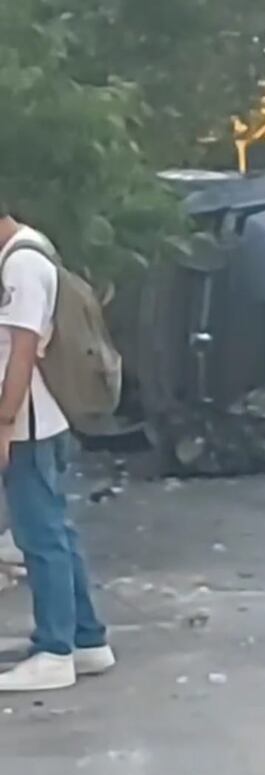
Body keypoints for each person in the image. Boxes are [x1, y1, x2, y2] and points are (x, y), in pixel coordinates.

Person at [0, 209, 114, 690]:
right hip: (41, 418)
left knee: (39, 536)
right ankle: (86, 640)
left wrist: (3, 424)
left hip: (29, 421)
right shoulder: (27, 248)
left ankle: (55, 652)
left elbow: (22, 349)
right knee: (55, 532)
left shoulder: (21, 265)